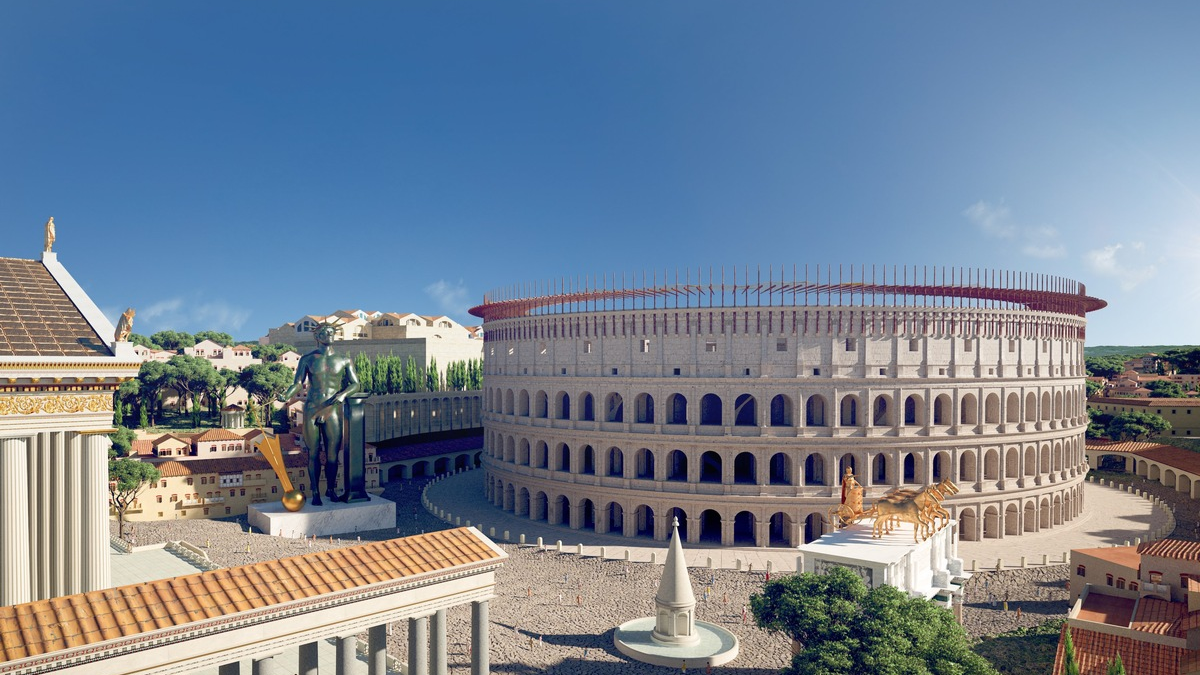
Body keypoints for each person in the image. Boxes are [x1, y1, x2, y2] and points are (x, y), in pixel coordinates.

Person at [281, 322, 360, 506]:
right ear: (317, 336)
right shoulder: (307, 359)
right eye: (325, 332)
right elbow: (298, 383)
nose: (329, 335)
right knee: (313, 453)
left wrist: (343, 395)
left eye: (332, 332)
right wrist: (286, 395)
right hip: (311, 409)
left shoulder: (344, 360)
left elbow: (356, 384)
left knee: (333, 455)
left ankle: (330, 490)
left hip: (333, 409)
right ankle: (315, 492)